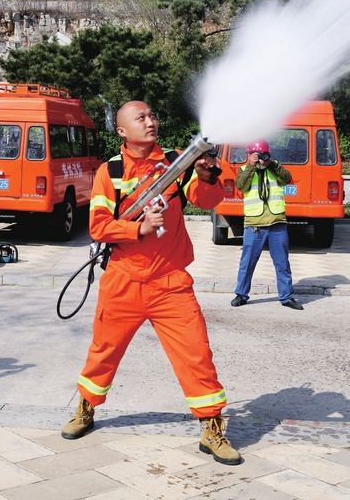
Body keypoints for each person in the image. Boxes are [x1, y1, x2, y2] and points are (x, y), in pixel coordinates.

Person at [61, 101, 243, 466]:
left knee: (197, 356)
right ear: (122, 131)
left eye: (153, 115)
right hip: (123, 279)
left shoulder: (178, 162)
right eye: (140, 118)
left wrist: (208, 177)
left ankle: (212, 428)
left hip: (170, 282)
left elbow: (205, 198)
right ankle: (85, 408)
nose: (151, 121)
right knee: (103, 352)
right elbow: (98, 226)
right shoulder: (109, 170)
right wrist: (137, 228)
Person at [230, 140, 304, 310]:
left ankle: (286, 297)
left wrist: (272, 165)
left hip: (277, 224)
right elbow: (241, 185)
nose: (261, 158)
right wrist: (251, 165)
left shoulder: (275, 168)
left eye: (263, 154)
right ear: (249, 155)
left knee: (282, 263)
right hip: (254, 225)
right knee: (247, 263)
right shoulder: (244, 170)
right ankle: (241, 294)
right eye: (256, 154)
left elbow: (288, 179)